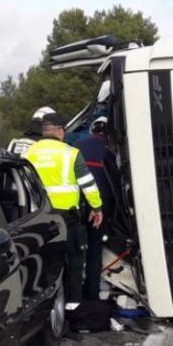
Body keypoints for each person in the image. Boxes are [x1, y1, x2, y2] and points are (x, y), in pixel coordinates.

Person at [24, 112, 103, 316]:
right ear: (60, 131)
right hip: (67, 220)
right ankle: (72, 311)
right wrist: (97, 208)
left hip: (38, 220)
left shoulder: (29, 153)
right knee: (74, 264)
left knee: (43, 266)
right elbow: (88, 184)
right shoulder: (71, 153)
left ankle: (44, 313)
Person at [75, 116, 120, 300]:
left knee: (75, 250)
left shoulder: (78, 145)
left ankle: (73, 294)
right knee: (95, 249)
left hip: (77, 204)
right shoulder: (111, 152)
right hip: (101, 206)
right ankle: (92, 294)